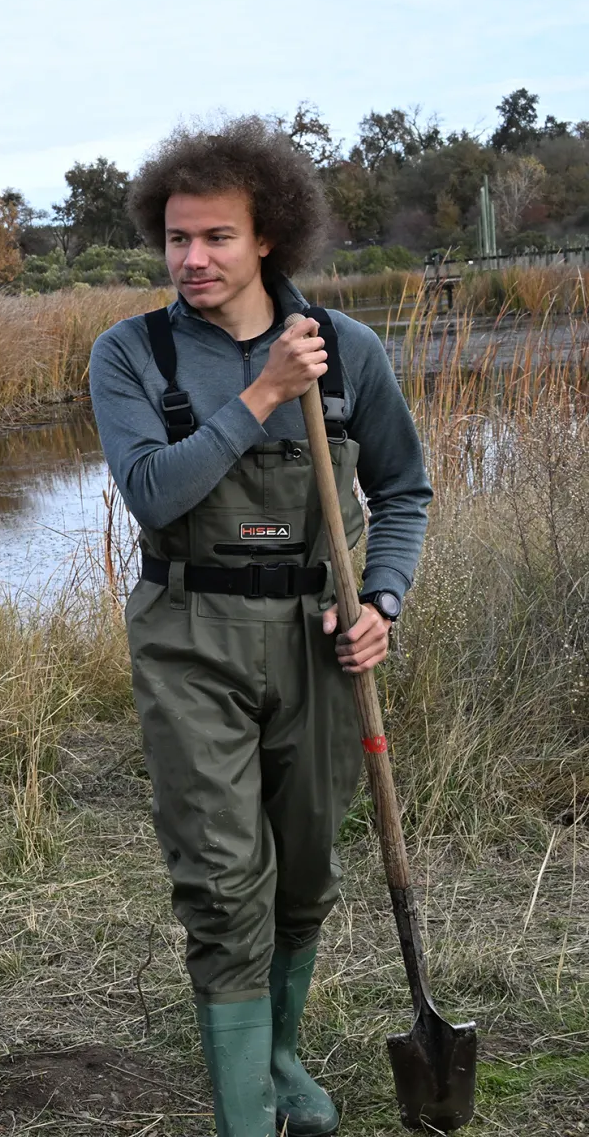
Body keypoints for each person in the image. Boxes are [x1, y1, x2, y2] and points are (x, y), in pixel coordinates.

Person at [89, 118, 432, 1137]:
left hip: (318, 636)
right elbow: (153, 491)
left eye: (216, 238)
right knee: (223, 877)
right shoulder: (134, 352)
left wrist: (383, 601)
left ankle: (282, 1058)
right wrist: (264, 393)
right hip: (190, 634)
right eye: (176, 238)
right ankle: (246, 1114)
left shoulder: (348, 348)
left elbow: (404, 490)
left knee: (308, 864)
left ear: (268, 237)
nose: (191, 258)